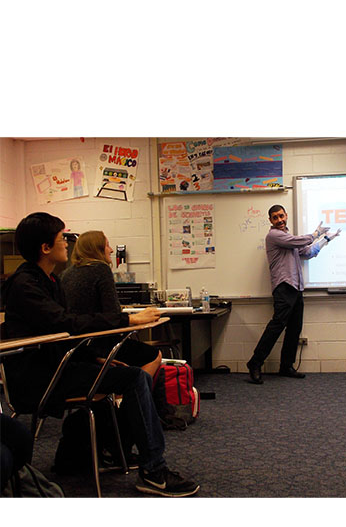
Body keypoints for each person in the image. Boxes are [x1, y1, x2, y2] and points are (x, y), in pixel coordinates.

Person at [1, 212, 199, 497]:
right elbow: (65, 324)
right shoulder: (25, 285)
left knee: (126, 376)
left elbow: (63, 332)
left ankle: (128, 458)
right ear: (45, 248)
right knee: (133, 378)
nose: (67, 244)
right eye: (61, 239)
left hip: (59, 367)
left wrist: (95, 358)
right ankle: (154, 471)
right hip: (38, 379)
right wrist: (128, 321)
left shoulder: (51, 280)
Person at [246, 205, 341, 384]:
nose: (279, 220)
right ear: (270, 221)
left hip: (296, 288)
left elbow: (307, 252)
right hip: (284, 287)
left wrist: (326, 239)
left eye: (281, 216)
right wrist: (315, 234)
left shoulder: (289, 238)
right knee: (277, 326)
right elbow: (299, 242)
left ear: (286, 215)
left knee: (295, 328)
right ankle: (255, 363)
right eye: (275, 217)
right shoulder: (274, 236)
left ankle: (286, 366)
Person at [60, 230, 162, 378]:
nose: (111, 250)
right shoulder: (101, 269)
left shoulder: (65, 274)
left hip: (75, 348)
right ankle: (130, 397)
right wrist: (135, 319)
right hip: (100, 344)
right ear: (97, 249)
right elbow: (114, 315)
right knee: (154, 355)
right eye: (107, 245)